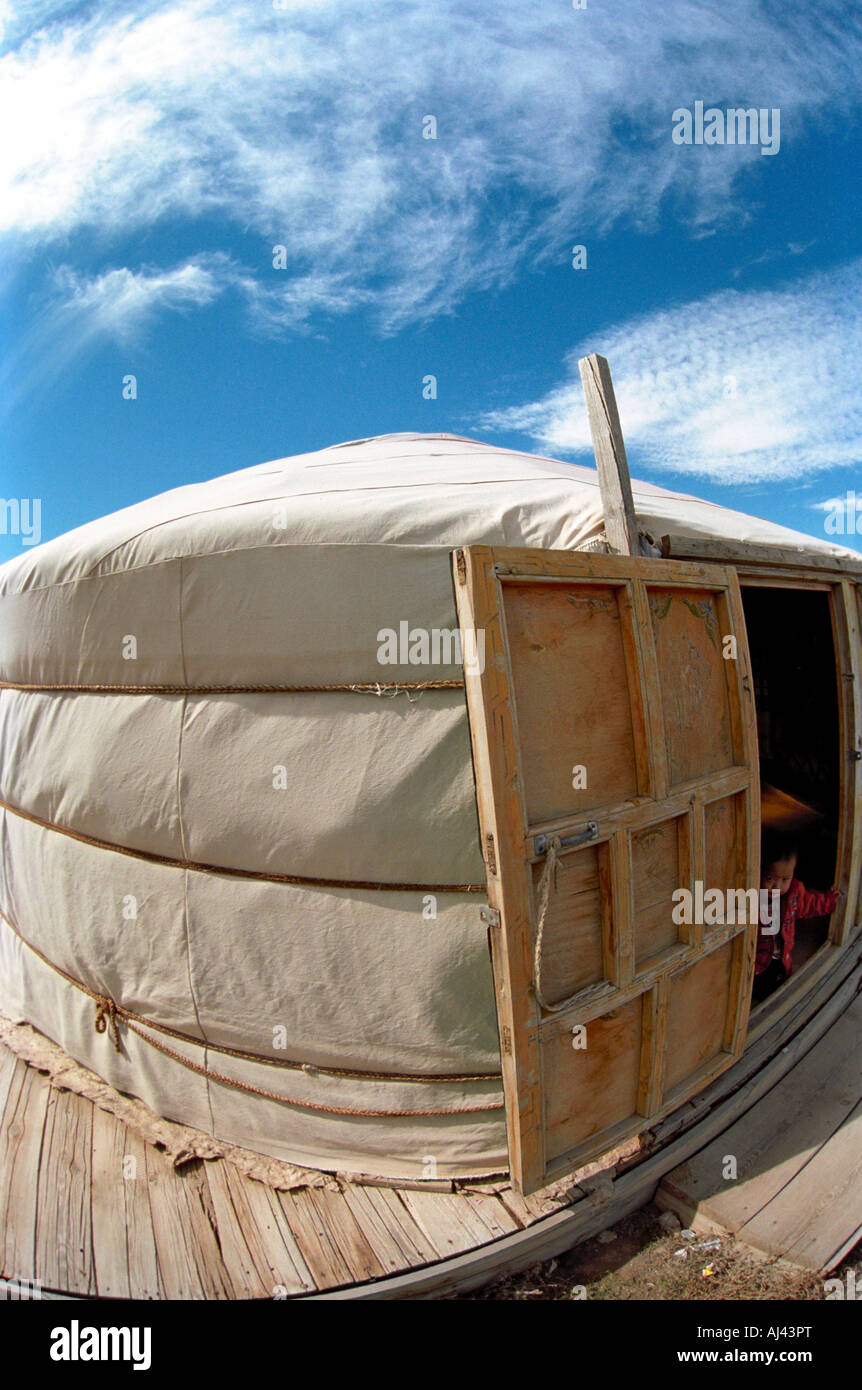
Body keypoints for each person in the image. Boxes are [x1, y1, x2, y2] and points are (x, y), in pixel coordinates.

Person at [753, 832, 841, 1002]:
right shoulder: (750, 896)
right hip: (756, 959)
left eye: (785, 879)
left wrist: (830, 900)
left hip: (779, 956)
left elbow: (809, 903)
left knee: (774, 988)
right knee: (754, 988)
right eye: (770, 878)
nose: (777, 886)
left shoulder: (793, 894)